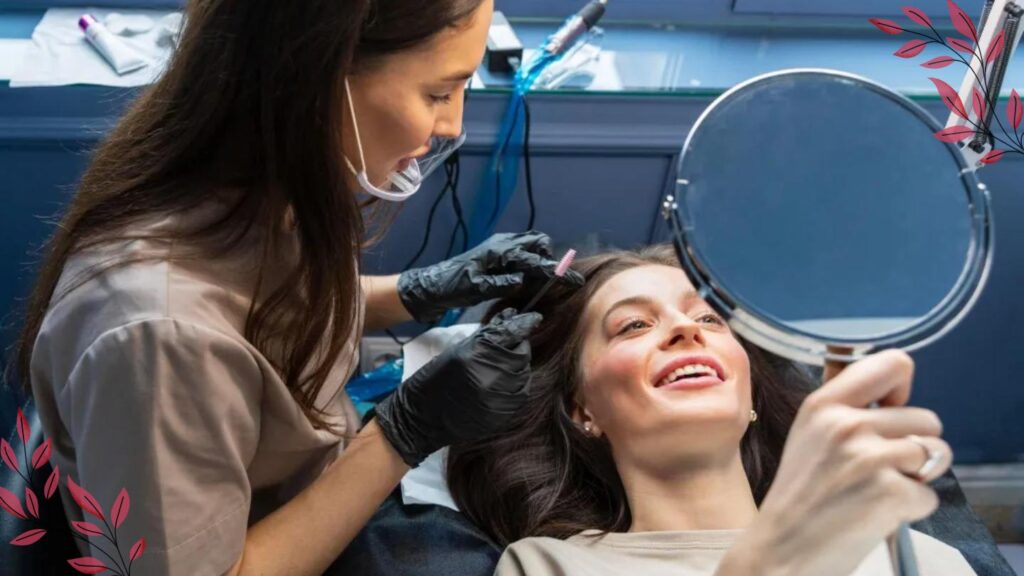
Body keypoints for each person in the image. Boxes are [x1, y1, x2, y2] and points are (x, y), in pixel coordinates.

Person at [15, 1, 582, 574]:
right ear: (313, 80)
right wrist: (404, 434)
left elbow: (257, 316)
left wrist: (418, 291)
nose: (453, 126)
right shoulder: (155, 340)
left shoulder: (260, 186)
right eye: (438, 94)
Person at [447, 245, 978, 576]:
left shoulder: (920, 559)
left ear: (750, 397)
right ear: (583, 410)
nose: (686, 329)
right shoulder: (551, 566)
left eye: (710, 319)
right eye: (633, 325)